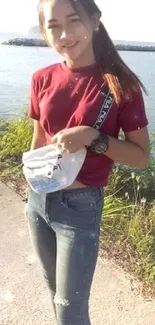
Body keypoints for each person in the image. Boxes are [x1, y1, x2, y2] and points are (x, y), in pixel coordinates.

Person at [26, 0, 150, 324]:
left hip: (79, 210)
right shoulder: (41, 78)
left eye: (73, 21)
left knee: (70, 308)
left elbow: (140, 157)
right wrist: (32, 184)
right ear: (44, 32)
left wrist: (92, 137)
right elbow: (38, 141)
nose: (65, 34)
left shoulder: (121, 86)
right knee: (54, 290)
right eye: (53, 26)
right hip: (38, 202)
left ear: (94, 21)